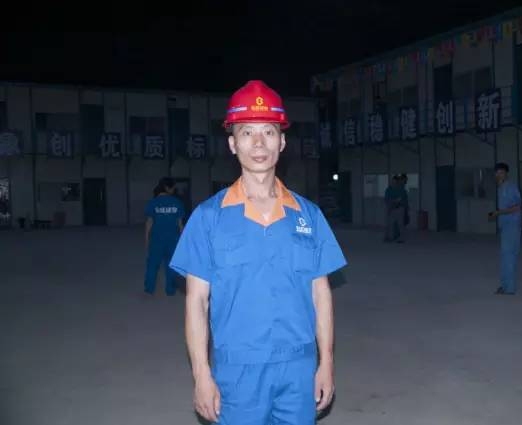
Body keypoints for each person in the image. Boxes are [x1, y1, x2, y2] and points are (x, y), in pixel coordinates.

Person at [169, 80, 347, 424]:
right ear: (232, 144)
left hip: (298, 368)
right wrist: (202, 375)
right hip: (238, 372)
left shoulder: (308, 216)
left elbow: (321, 294)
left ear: (282, 142)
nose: (259, 143)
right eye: (247, 133)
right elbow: (196, 302)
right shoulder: (208, 218)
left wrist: (326, 362)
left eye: (268, 131)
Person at [143, 177, 185, 296]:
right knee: (171, 265)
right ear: (167, 188)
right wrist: (183, 240)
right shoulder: (177, 202)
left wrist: (146, 238)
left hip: (157, 240)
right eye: (173, 188)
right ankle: (170, 290)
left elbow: (149, 223)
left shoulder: (153, 203)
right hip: (173, 240)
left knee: (152, 264)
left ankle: (149, 288)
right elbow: (180, 224)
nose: (174, 190)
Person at [489, 163, 522, 295]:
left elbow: (517, 207)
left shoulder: (511, 187)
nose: (499, 175)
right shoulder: (500, 188)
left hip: (512, 225)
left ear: (506, 173)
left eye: (501, 172)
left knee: (508, 256)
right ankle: (505, 285)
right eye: (497, 173)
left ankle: (509, 288)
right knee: (505, 256)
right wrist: (498, 213)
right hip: (505, 225)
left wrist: (499, 212)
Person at [384, 175, 408, 243]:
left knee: (400, 224)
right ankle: (390, 237)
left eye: (395, 182)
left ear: (397, 182)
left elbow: (402, 199)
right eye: (392, 181)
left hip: (400, 209)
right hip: (391, 209)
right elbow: (387, 199)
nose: (393, 183)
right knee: (390, 224)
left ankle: (401, 238)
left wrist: (394, 201)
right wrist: (393, 202)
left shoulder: (401, 189)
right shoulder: (388, 189)